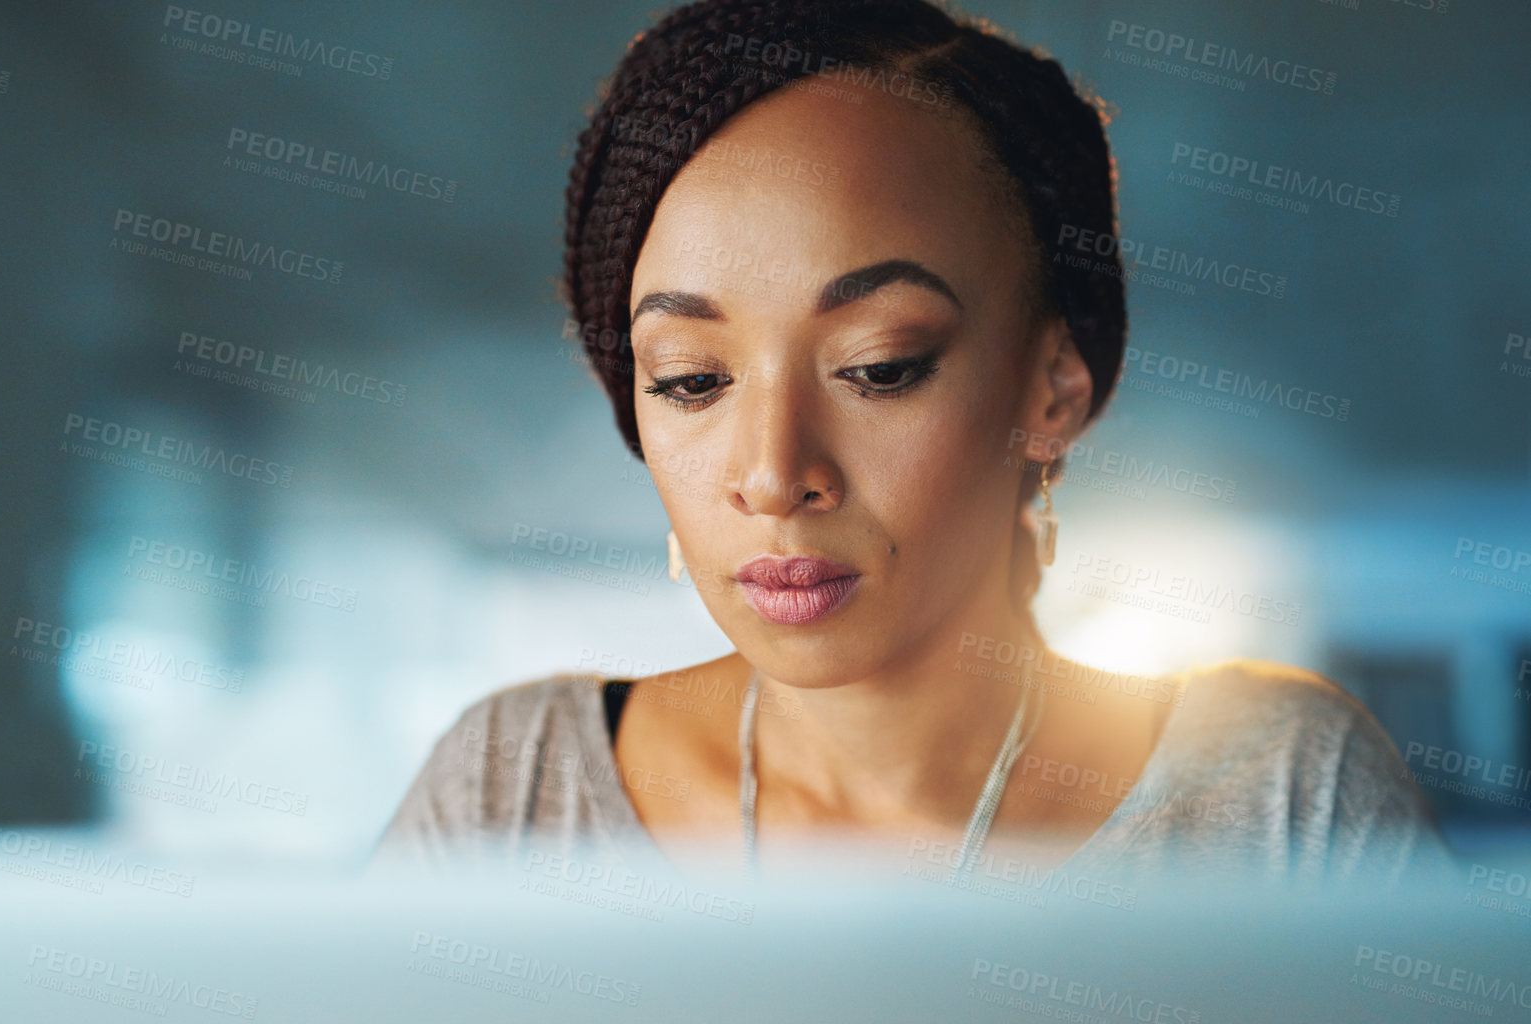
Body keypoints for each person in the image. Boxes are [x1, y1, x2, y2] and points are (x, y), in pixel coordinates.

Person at [367, 0, 1448, 887]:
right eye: (690, 380)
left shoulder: (1279, 798)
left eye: (879, 366)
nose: (774, 474)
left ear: (1051, 385)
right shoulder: (509, 794)